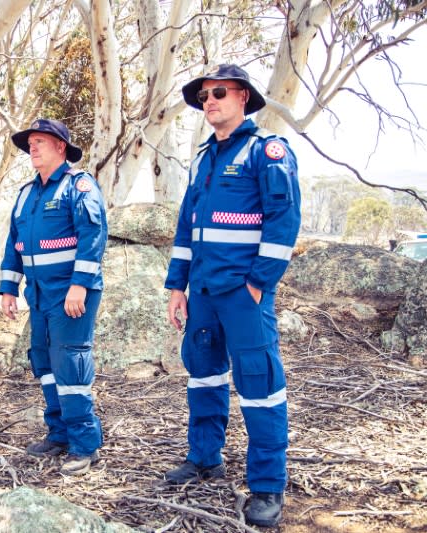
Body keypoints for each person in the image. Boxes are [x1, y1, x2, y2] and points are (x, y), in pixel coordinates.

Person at [163, 64, 301, 527]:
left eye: (218, 93)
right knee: (203, 377)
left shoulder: (268, 151)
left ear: (243, 96)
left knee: (260, 388)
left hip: (244, 295)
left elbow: (283, 223)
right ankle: (204, 458)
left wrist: (259, 283)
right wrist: (176, 286)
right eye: (204, 96)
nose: (210, 102)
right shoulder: (203, 158)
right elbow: (187, 227)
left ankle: (266, 485)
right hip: (201, 292)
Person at [0, 119, 108, 476]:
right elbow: (14, 244)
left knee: (70, 363)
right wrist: (8, 288)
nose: (32, 147)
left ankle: (84, 443)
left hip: (71, 294)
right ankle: (58, 432)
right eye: (30, 142)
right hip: (40, 295)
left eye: (40, 141)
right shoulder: (26, 193)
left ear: (61, 147)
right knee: (44, 362)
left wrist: (79, 284)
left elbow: (93, 236)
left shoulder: (79, 186)